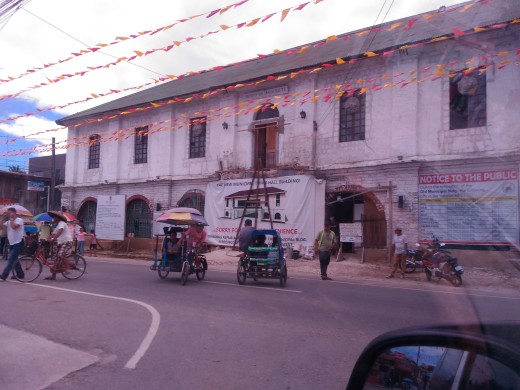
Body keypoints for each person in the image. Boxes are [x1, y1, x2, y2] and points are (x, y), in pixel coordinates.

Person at [45, 211, 73, 280]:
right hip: (60, 243)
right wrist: (46, 238)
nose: (53, 219)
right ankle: (53, 276)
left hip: (67, 241)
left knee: (60, 254)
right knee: (55, 258)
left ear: (57, 218)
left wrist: (53, 239)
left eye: (54, 217)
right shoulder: (57, 225)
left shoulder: (62, 223)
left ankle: (67, 268)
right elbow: (53, 234)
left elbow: (59, 232)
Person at [1, 207, 25, 281]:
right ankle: (20, 274)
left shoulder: (19, 220)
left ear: (14, 213)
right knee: (14, 259)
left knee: (11, 258)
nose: (9, 215)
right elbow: (0, 227)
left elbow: (14, 227)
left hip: (19, 242)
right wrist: (3, 217)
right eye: (8, 213)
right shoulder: (8, 221)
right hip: (12, 242)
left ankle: (4, 275)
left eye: (10, 213)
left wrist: (11, 219)